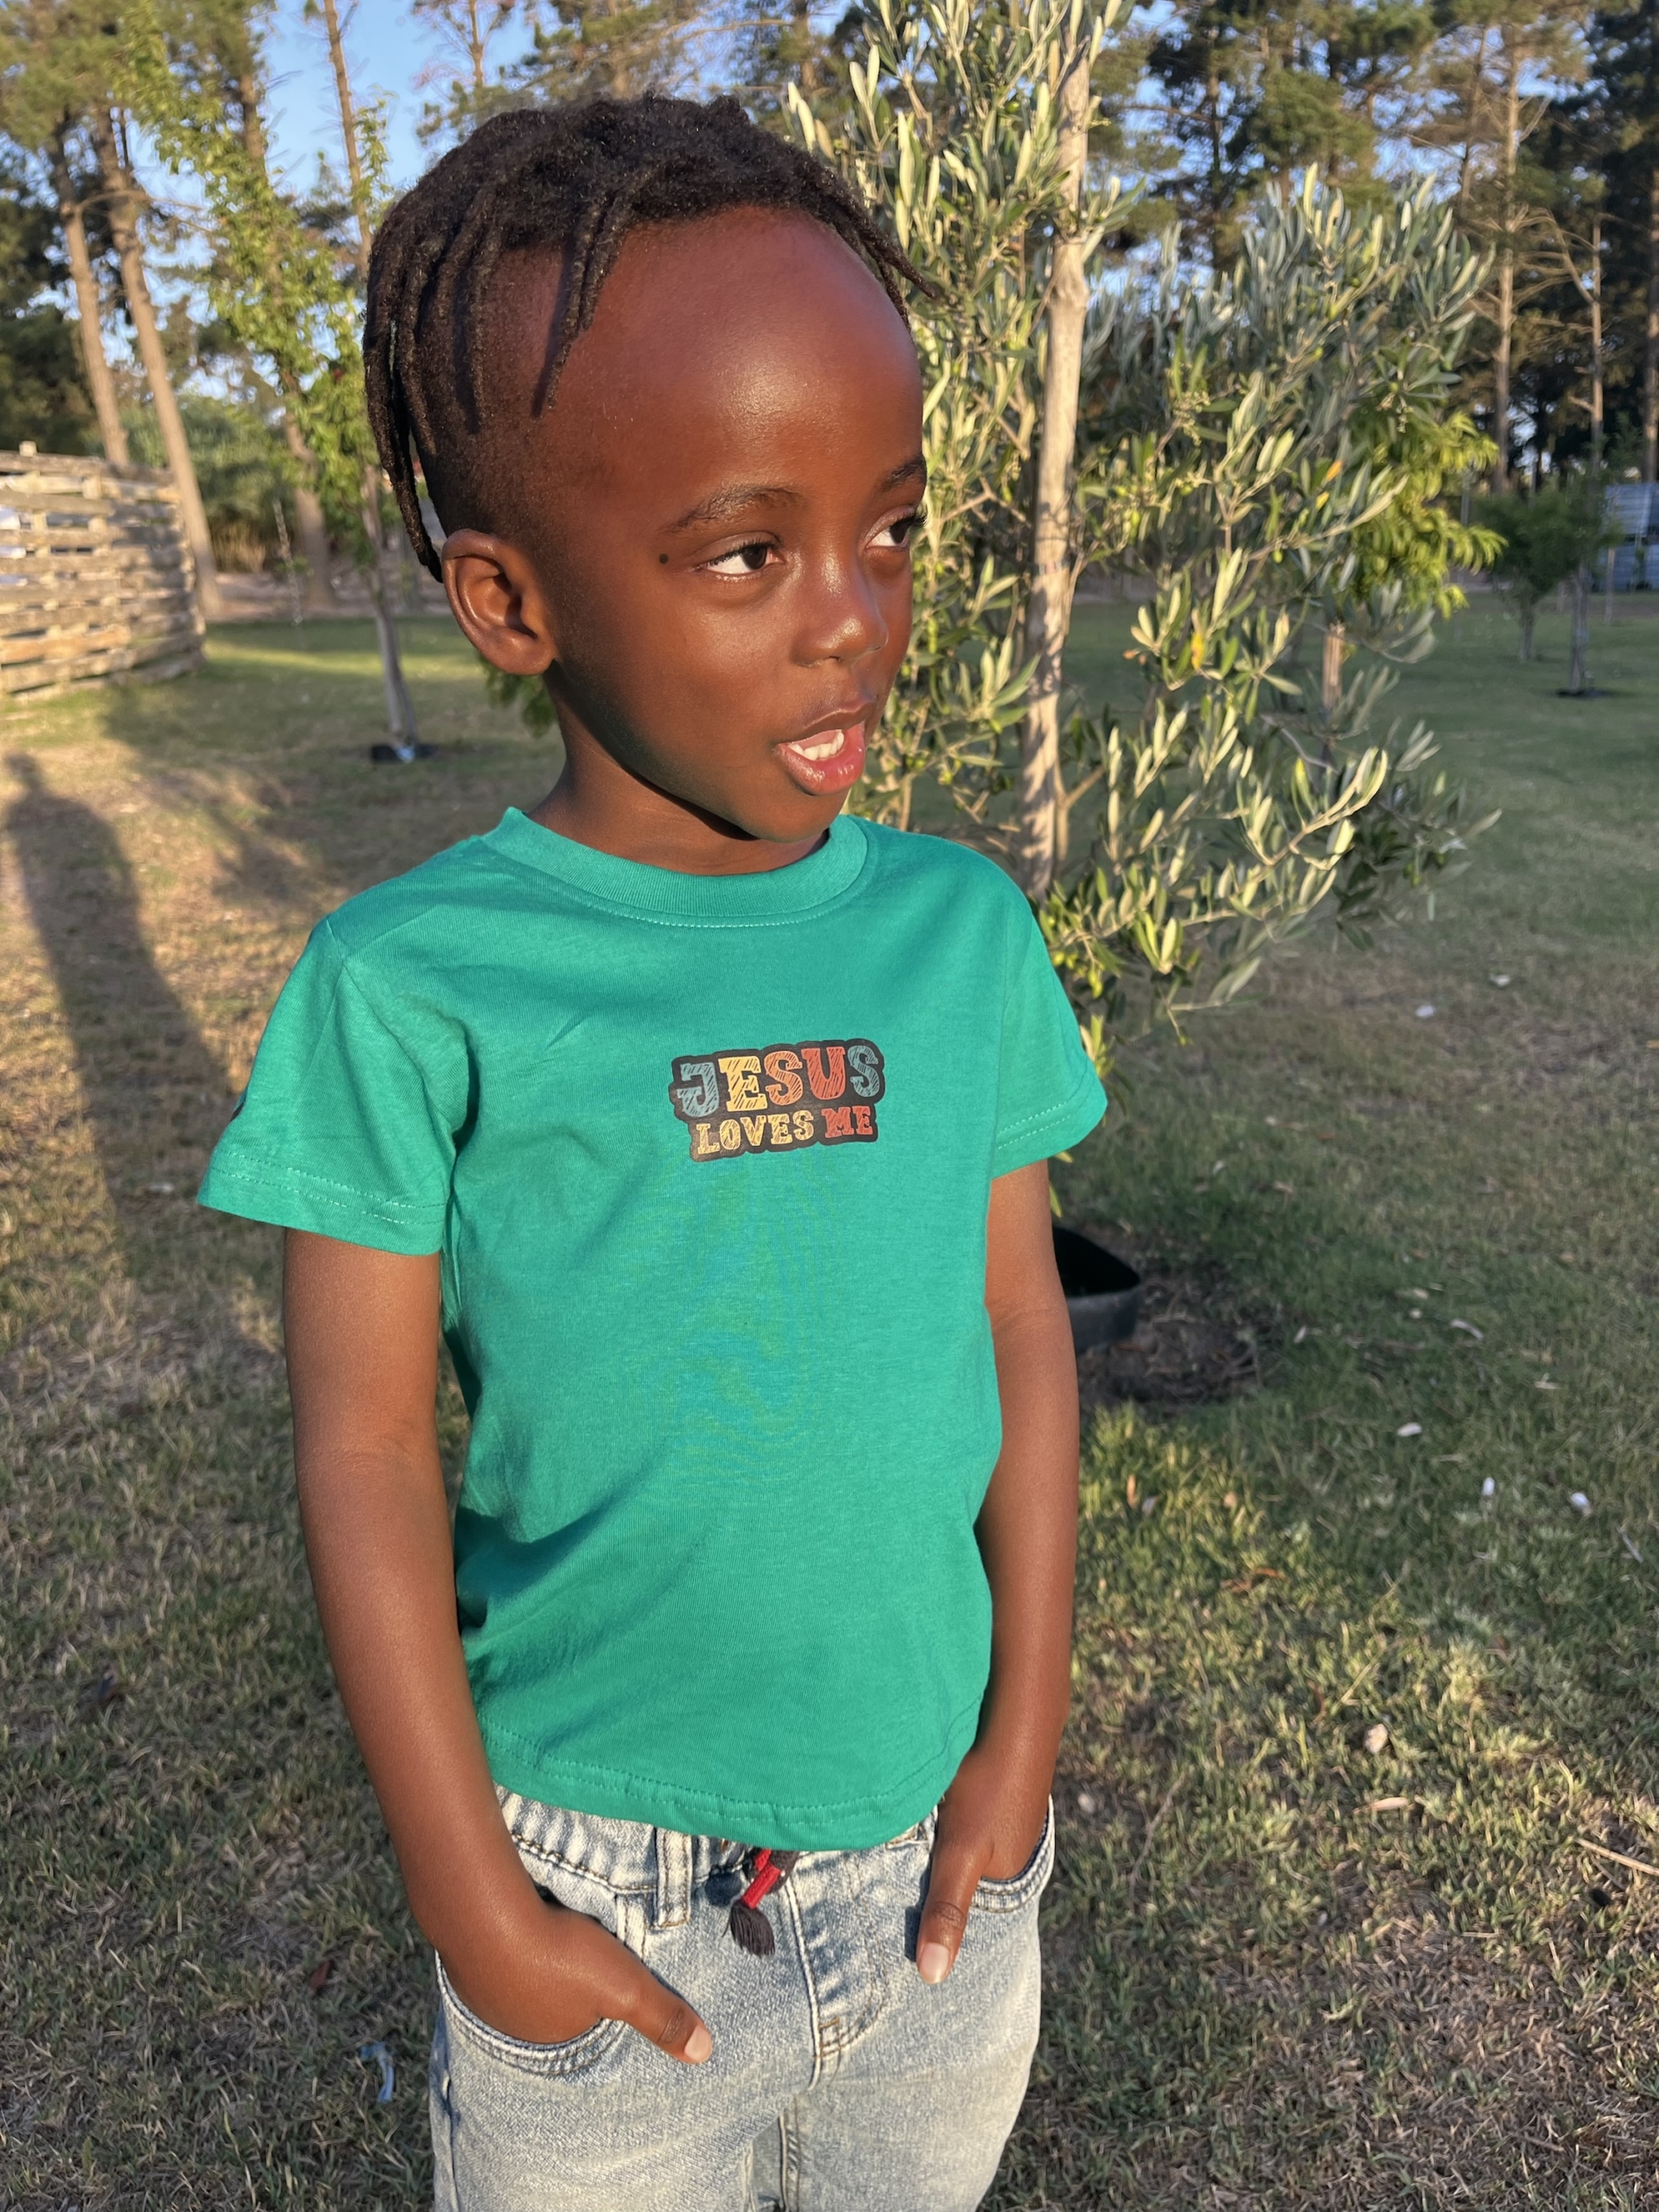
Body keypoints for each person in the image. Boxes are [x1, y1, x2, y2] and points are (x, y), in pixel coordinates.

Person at [198, 93, 1105, 2212]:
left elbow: (1020, 1327)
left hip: (940, 1881)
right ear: (509, 599)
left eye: (891, 527)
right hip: (590, 1891)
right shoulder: (405, 986)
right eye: (746, 551)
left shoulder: (959, 932)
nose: (852, 614)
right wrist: (478, 1911)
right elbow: (364, 1448)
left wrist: (1020, 1743)